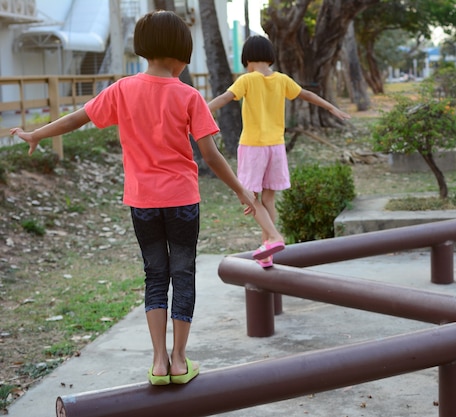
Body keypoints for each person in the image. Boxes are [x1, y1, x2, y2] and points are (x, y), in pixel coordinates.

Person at [10, 10, 257, 386]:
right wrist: (241, 189)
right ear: (181, 54)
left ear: (146, 49)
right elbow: (210, 155)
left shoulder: (123, 89)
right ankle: (178, 360)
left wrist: (37, 134)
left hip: (142, 203)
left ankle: (158, 362)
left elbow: (80, 118)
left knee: (155, 275)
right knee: (183, 274)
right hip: (182, 201)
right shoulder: (188, 96)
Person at [208, 35, 351, 267]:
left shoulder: (248, 79)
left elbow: (225, 98)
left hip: (253, 146)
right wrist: (331, 107)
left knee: (248, 196)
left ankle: (273, 237)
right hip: (276, 147)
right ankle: (268, 252)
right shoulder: (282, 79)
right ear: (269, 57)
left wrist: (200, 110)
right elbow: (307, 94)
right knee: (268, 197)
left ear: (247, 59)